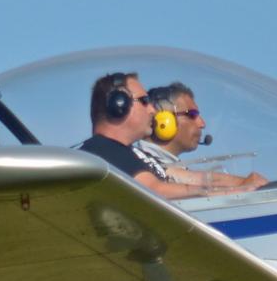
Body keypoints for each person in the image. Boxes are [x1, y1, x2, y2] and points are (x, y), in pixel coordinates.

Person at [75, 72, 202, 200]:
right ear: (119, 104)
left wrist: (215, 183)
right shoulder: (103, 151)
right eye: (144, 101)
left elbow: (189, 178)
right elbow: (155, 190)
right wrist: (209, 192)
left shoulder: (130, 154)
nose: (152, 110)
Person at [136, 82, 267, 194]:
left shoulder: (175, 168)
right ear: (163, 120)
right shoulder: (136, 160)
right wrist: (242, 184)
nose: (202, 124)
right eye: (192, 115)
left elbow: (193, 178)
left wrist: (245, 183)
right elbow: (176, 176)